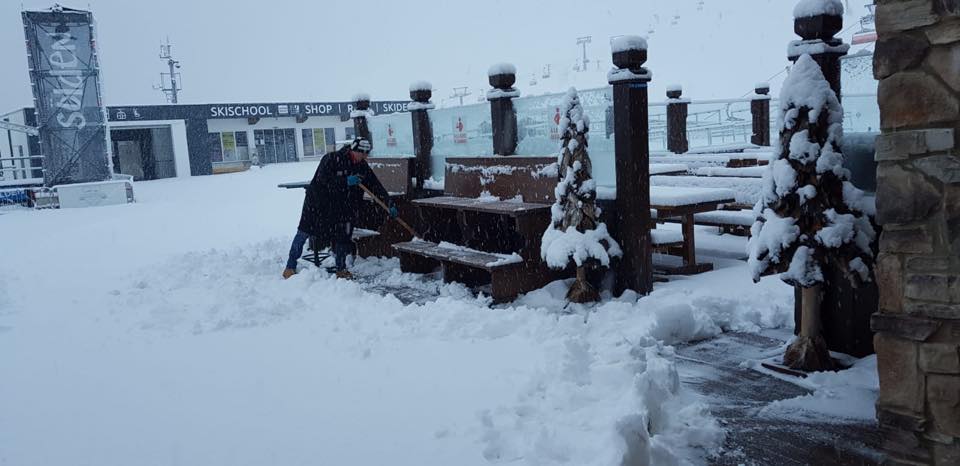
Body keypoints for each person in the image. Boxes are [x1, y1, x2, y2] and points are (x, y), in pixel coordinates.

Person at [282, 137, 397, 280]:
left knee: (344, 235)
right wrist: (345, 181)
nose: (365, 157)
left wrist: (389, 203)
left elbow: (375, 186)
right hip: (318, 204)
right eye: (362, 153)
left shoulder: (362, 166)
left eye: (367, 154)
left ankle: (341, 269)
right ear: (354, 150)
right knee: (304, 232)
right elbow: (322, 180)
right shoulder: (331, 159)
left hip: (343, 206)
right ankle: (290, 266)